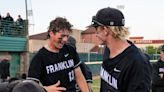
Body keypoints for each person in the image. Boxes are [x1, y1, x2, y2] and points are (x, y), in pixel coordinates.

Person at [88, 7, 152, 92]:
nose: (96, 34)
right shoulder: (108, 49)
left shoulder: (138, 62)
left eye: (96, 29)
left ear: (105, 30)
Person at [28, 17, 89, 92]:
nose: (65, 39)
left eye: (67, 36)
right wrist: (45, 90)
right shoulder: (39, 58)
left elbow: (79, 76)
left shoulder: (70, 50)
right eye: (62, 36)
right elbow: (30, 87)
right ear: (51, 33)